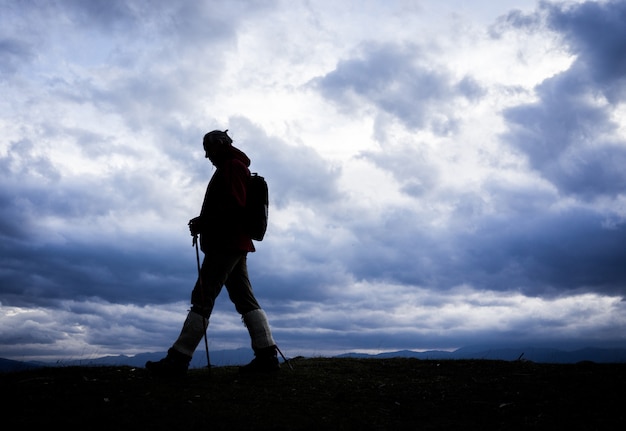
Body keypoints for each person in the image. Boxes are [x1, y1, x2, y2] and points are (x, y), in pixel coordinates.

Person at [146, 129, 279, 377]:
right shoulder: (236, 166)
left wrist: (203, 222)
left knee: (203, 296)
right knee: (244, 299)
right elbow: (234, 206)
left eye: (208, 149)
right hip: (235, 243)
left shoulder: (231, 167)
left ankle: (178, 360)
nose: (207, 155)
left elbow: (232, 206)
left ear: (219, 145)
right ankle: (267, 357)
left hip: (226, 243)